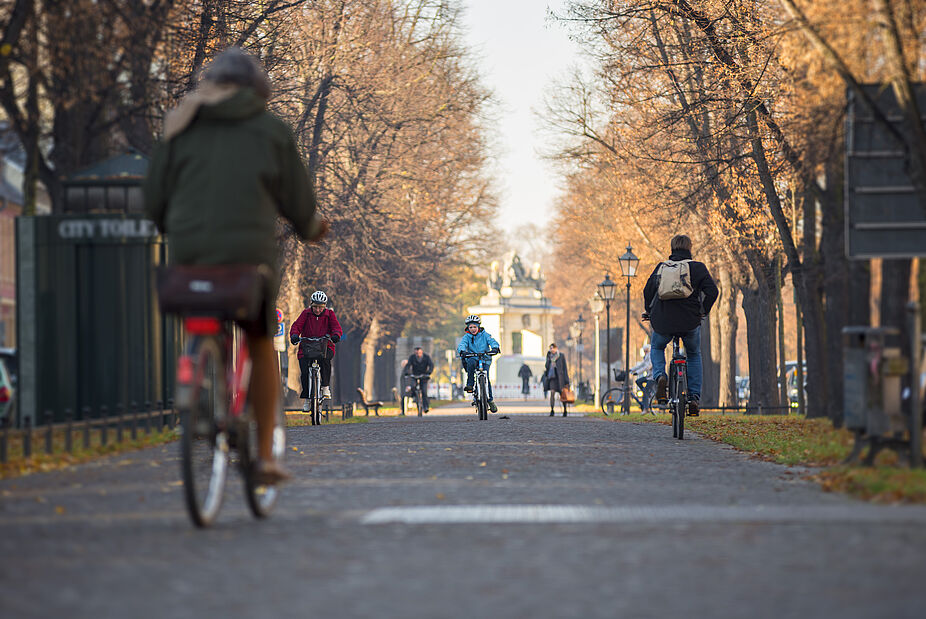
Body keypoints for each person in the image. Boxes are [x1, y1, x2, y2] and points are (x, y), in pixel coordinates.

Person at [144, 47, 326, 485]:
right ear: (257, 90)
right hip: (248, 263)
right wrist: (312, 226)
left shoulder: (180, 127)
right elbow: (301, 209)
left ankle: (198, 386)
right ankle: (263, 457)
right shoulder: (271, 131)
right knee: (260, 341)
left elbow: (152, 203)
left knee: (202, 317)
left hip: (189, 259)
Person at [642, 234, 718, 416]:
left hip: (663, 320)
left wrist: (649, 311)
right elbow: (713, 291)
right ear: (689, 248)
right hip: (690, 320)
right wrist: (703, 310)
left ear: (672, 248)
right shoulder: (697, 267)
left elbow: (647, 290)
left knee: (657, 347)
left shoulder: (662, 267)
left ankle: (660, 376)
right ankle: (693, 398)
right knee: (693, 354)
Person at [290, 291, 342, 407]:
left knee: (325, 361)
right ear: (311, 305)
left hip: (325, 345)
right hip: (307, 346)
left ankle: (325, 387)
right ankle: (308, 398)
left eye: (320, 307)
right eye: (315, 307)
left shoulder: (330, 314)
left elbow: (336, 327)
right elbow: (296, 326)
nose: (318, 310)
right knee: (304, 371)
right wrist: (294, 335)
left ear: (324, 306)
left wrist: (336, 335)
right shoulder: (306, 314)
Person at [457, 315, 500, 413]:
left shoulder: (485, 335)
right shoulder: (466, 337)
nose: (472, 329)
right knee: (471, 363)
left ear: (478, 327)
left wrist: (495, 348)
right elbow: (462, 345)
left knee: (486, 378)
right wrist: (462, 351)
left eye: (474, 327)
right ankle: (470, 384)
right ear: (468, 328)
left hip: (485, 358)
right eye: (470, 327)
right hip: (473, 357)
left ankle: (490, 400)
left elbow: (492, 341)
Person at [403, 346, 434, 413]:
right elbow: (408, 365)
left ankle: (426, 406)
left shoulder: (426, 357)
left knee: (424, 391)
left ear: (421, 352)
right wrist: (406, 372)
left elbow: (431, 365)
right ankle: (414, 397)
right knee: (413, 386)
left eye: (419, 353)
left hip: (424, 375)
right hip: (415, 375)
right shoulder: (412, 357)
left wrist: (429, 372)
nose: (418, 355)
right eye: (416, 353)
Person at [543, 343, 570, 417]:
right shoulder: (549, 356)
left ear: (556, 348)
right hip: (552, 378)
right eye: (550, 348)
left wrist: (566, 380)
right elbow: (546, 366)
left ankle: (565, 410)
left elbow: (564, 368)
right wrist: (548, 358)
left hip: (560, 378)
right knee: (552, 393)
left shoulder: (561, 356)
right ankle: (552, 410)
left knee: (562, 394)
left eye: (552, 348)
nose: (551, 350)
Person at [629, 344, 654, 413]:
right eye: (644, 351)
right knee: (638, 381)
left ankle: (646, 409)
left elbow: (648, 366)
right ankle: (647, 394)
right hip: (648, 376)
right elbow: (641, 365)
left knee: (645, 390)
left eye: (646, 351)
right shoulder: (646, 356)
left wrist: (638, 372)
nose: (645, 352)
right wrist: (632, 369)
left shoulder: (651, 356)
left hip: (652, 377)